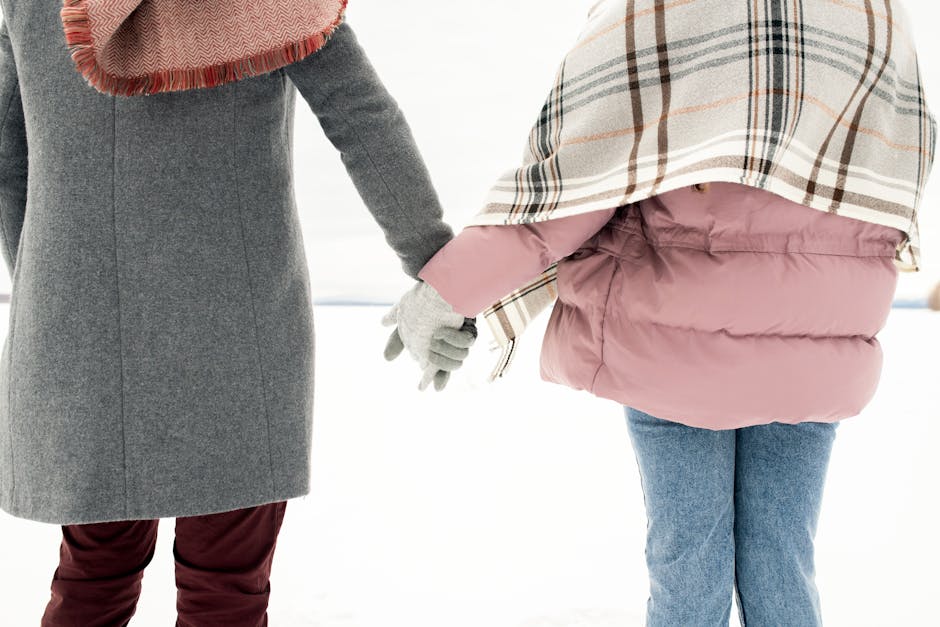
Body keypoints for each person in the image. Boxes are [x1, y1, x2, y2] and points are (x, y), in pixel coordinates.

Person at [384, 0, 936, 624]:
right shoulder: (874, 15)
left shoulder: (663, 12)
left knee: (687, 565)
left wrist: (447, 291)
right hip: (817, 349)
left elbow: (573, 190)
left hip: (671, 353)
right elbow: (897, 182)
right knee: (783, 558)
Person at [0, 0, 474, 624]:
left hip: (81, 341)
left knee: (92, 577)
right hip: (236, 338)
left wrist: (51, 293)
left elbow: (9, 159)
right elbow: (362, 117)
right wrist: (434, 267)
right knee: (226, 588)